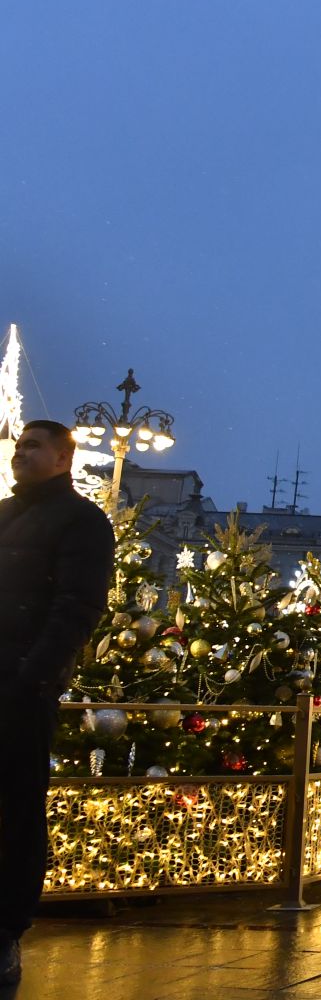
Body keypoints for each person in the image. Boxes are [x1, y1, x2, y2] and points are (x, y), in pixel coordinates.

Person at [0, 421, 113, 984]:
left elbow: (77, 606)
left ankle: (6, 932)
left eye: (34, 446)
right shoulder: (4, 513)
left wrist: (33, 676)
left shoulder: (81, 521)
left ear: (66, 458)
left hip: (20, 689)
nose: (21, 453)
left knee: (16, 811)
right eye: (19, 446)